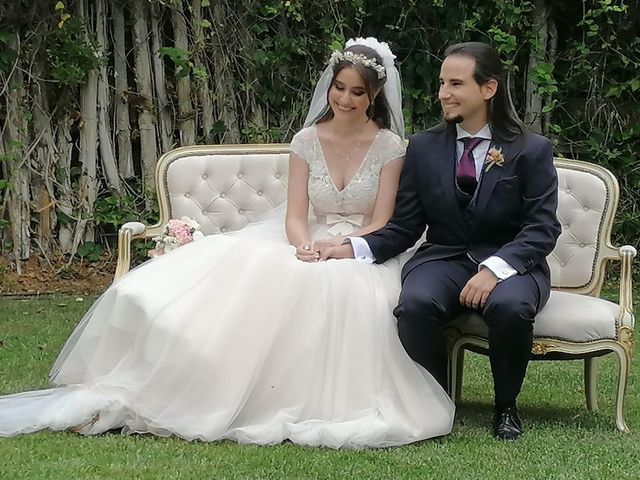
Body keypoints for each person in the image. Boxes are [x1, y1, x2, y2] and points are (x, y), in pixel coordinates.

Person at [0, 38, 454, 448]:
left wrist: (341, 247)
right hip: (303, 239)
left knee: (346, 286)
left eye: (358, 92)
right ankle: (201, 385)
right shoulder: (306, 140)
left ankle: (308, 398)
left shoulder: (391, 146)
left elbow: (382, 221)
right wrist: (304, 246)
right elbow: (296, 215)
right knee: (258, 273)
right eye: (340, 88)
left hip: (364, 243)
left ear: (374, 96)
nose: (345, 99)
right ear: (329, 87)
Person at [322, 41, 561, 441]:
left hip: (510, 263)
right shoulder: (423, 147)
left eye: (455, 84)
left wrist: (494, 269)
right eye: (441, 83)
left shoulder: (531, 149)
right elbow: (405, 226)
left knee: (512, 306)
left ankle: (506, 407)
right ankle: (435, 400)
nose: (443, 93)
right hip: (444, 258)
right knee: (415, 304)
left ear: (488, 89)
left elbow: (541, 229)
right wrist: (353, 247)